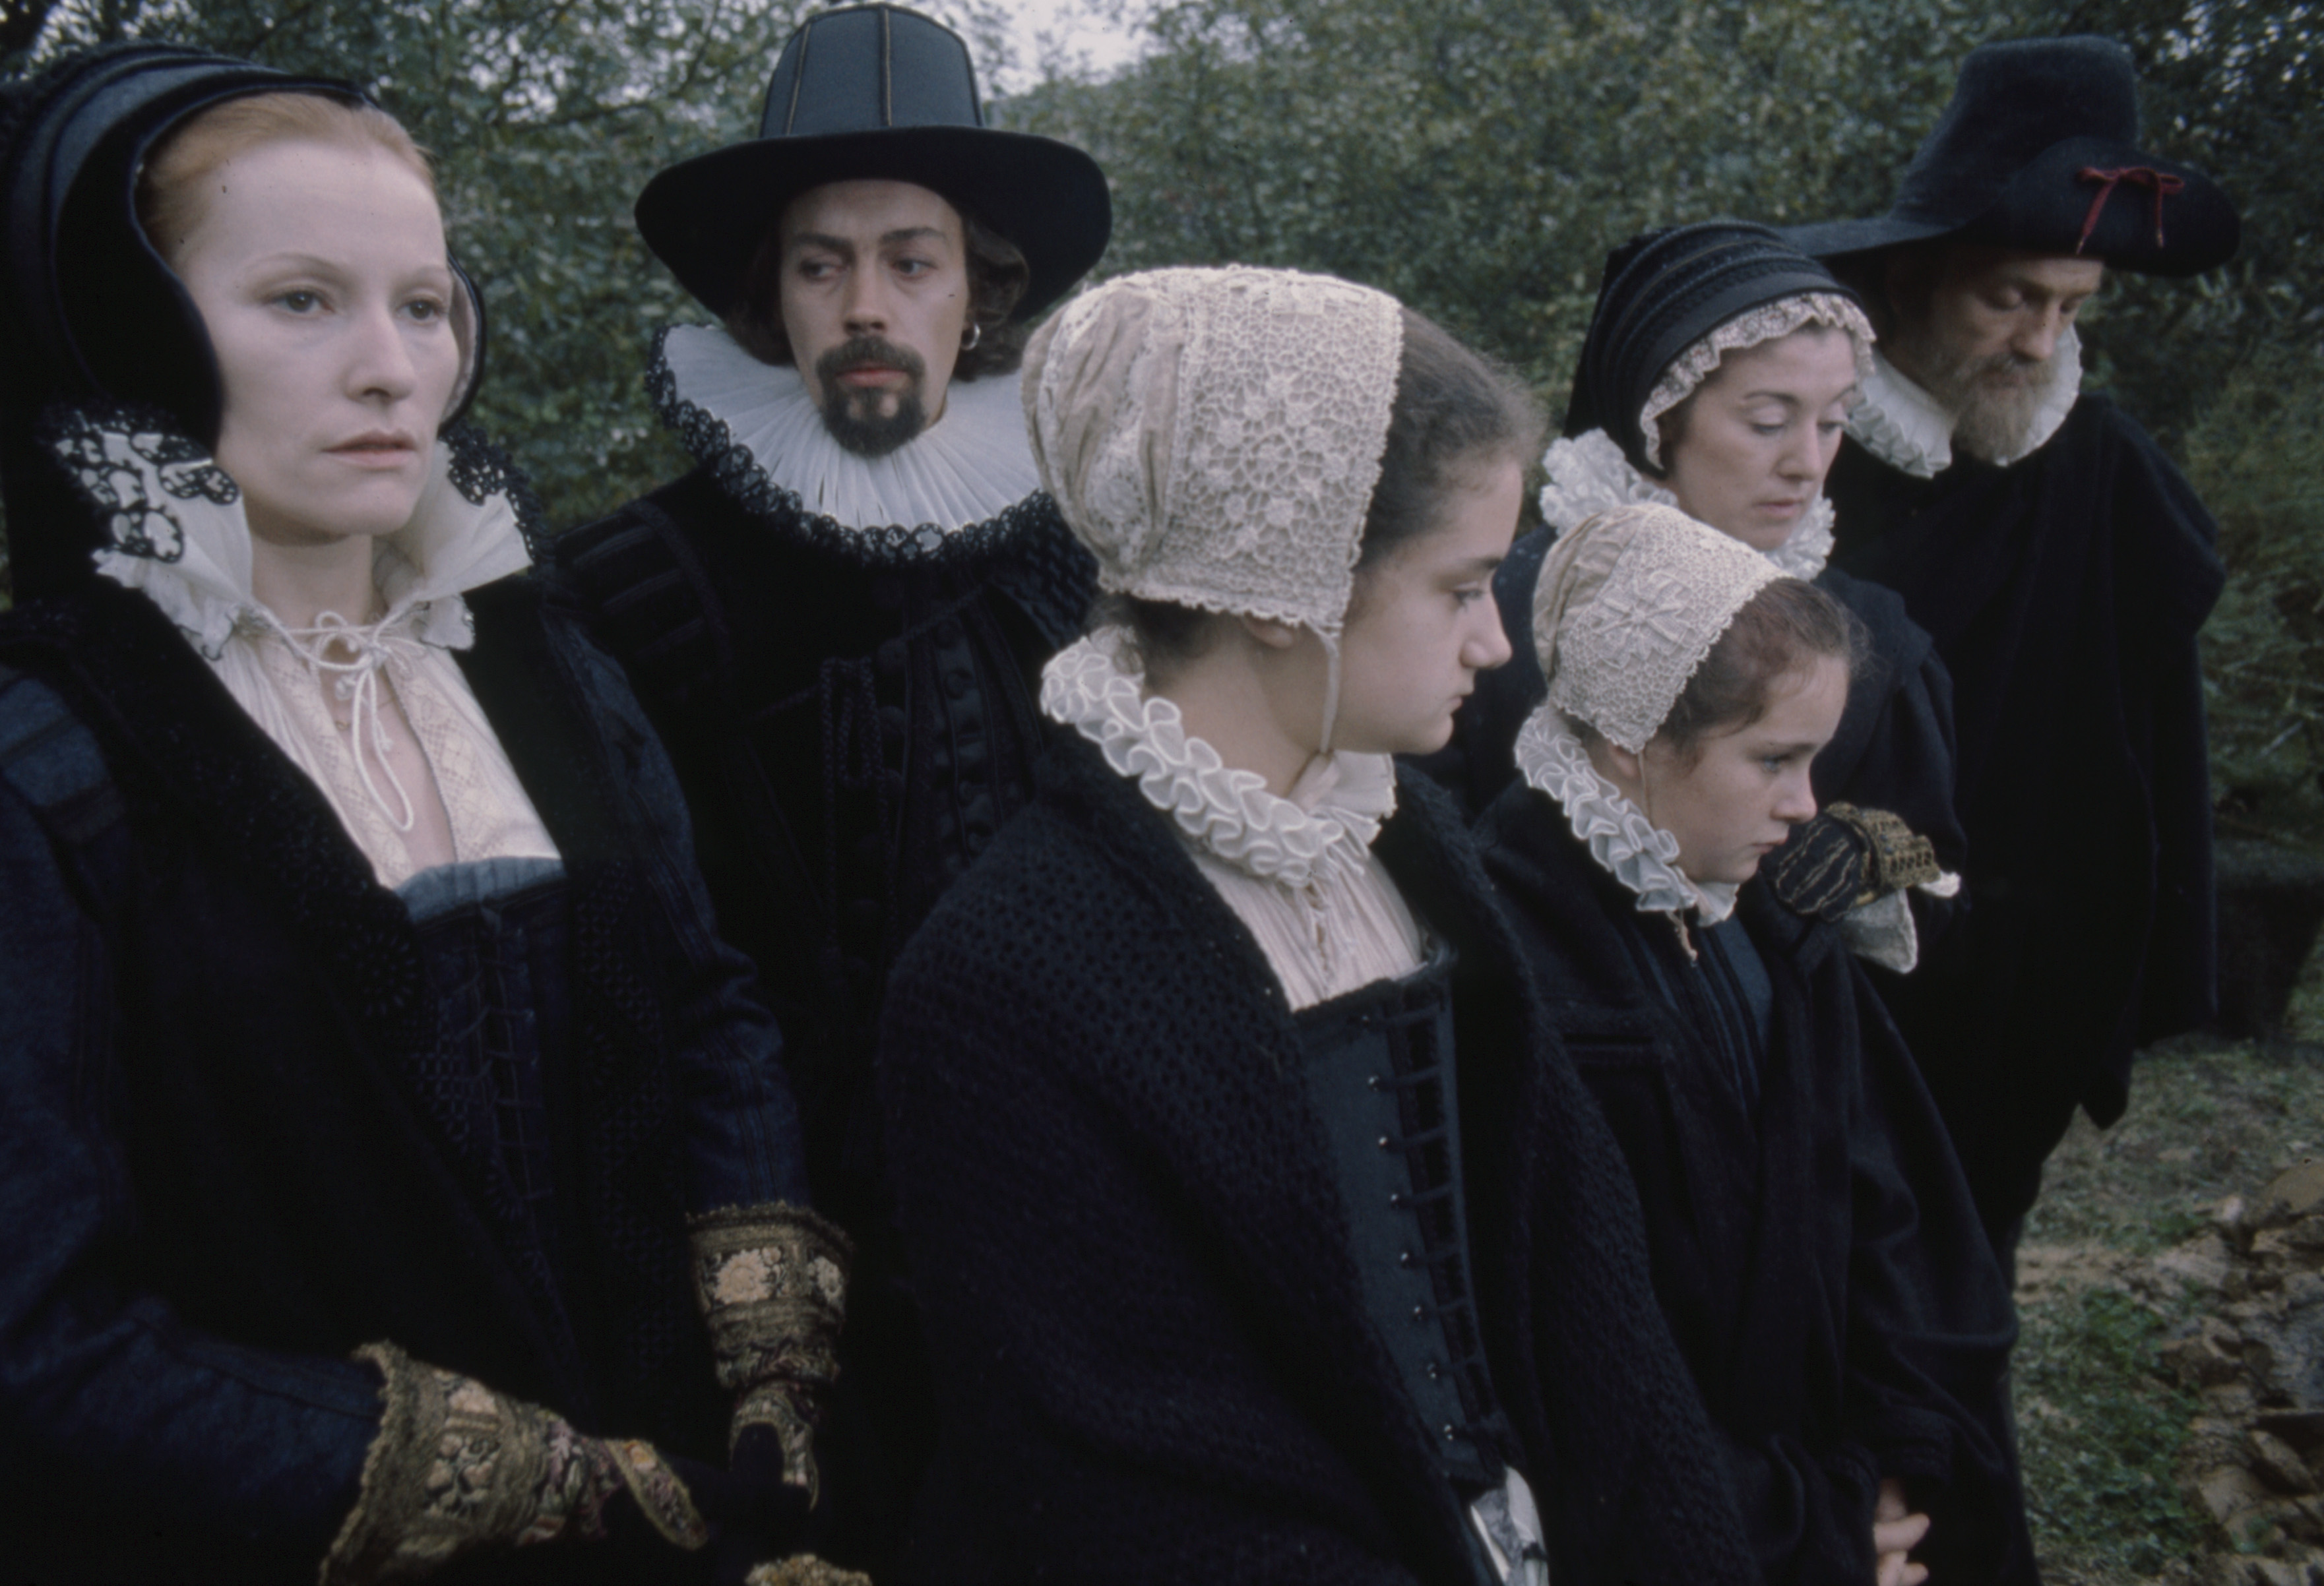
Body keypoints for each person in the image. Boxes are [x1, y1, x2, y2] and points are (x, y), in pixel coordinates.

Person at [0, 44, 850, 1584]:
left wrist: (766, 1363)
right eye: (301, 300)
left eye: (425, 301)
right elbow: (40, 1336)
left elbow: (708, 1001)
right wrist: (544, 1478)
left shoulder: (545, 666)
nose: (394, 366)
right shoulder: (49, 757)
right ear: (131, 328)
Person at [877, 266, 1757, 1585]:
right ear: (1281, 587)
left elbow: (1587, 1289)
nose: (1496, 642)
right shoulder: (1007, 971)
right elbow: (1135, 1477)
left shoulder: (1413, 844)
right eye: (1460, 586)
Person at [548, 7, 1109, 1557]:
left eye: (911, 260)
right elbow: (626, 977)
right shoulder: (631, 584)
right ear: (766, 296)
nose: (866, 304)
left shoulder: (1069, 553)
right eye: (819, 262)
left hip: (1063, 1216)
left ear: (982, 290)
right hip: (777, 1266)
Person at [1474, 503, 2035, 1586]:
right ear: (1634, 740)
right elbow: (1570, 1364)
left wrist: (1887, 1458)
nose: (1804, 806)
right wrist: (1799, 1533)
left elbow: (1875, 1208)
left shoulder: (1754, 918)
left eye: (1813, 761)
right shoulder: (1520, 961)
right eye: (1773, 759)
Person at [1782, 34, 2241, 1265]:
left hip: (2008, 993)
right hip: (1806, 956)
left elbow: (2153, 759)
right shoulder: (1792, 452)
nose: (2039, 342)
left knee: (1952, 1309)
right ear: (1917, 277)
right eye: (2007, 297)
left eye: (2069, 306)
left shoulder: (2108, 477)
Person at [1425, 222, 1963, 973]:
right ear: (1659, 418)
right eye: (1767, 421)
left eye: (1834, 421)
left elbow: (1942, 910)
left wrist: (1871, 865)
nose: (1807, 463)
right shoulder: (1502, 609)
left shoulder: (1870, 638)